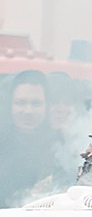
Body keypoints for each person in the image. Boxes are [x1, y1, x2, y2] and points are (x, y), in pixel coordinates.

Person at [0, 71, 68, 205]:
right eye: (20, 103)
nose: (28, 111)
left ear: (46, 106)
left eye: (36, 103)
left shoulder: (61, 144)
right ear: (9, 105)